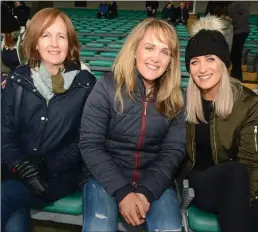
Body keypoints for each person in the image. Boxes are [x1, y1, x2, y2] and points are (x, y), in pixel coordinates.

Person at [79, 18, 186, 232]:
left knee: (169, 228)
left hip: (155, 181)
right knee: (98, 227)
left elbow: (173, 151)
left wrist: (146, 191)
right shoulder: (106, 87)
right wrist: (123, 192)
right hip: (104, 178)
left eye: (165, 52)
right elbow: (90, 144)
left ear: (171, 61)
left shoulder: (177, 99)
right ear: (135, 49)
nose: (156, 58)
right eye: (149, 47)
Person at [1, 8, 96, 232]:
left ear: (70, 44)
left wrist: (45, 165)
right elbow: (4, 133)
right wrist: (20, 165)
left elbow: (84, 142)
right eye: (46, 35)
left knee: (4, 197)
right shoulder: (18, 79)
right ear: (35, 42)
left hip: (56, 176)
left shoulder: (86, 84)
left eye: (61, 36)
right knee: (13, 216)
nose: (54, 43)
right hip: (15, 170)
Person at [177, 15, 258, 232]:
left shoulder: (247, 103)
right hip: (197, 185)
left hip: (237, 187)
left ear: (223, 62)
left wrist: (247, 203)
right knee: (234, 173)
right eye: (195, 62)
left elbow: (251, 163)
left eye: (210, 58)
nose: (202, 69)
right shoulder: (182, 102)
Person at [228, 2, 250, 81]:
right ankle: (235, 74)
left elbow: (245, 14)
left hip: (241, 31)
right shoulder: (232, 2)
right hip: (236, 31)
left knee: (236, 54)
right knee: (234, 55)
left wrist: (234, 23)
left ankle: (237, 76)